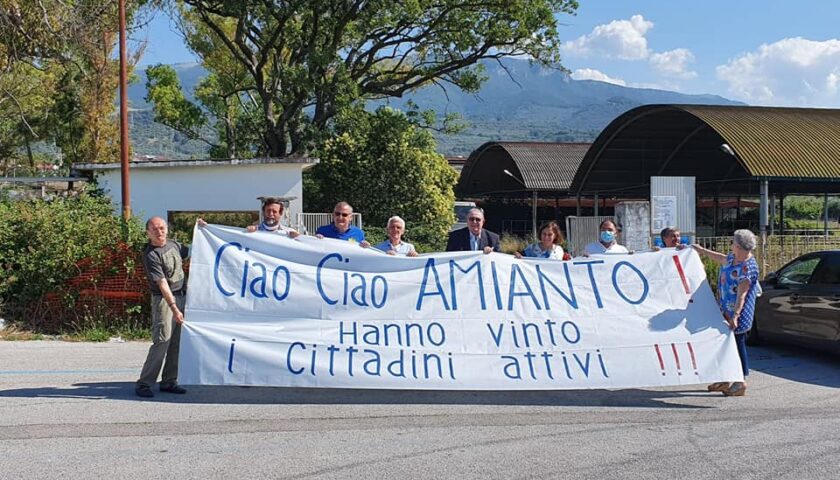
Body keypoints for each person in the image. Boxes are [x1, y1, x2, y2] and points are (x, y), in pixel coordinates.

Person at [693, 229, 760, 397]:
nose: (731, 246)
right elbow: (722, 259)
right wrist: (702, 250)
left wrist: (736, 316)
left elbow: (742, 295)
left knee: (737, 344)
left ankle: (740, 381)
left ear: (739, 246)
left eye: (733, 243)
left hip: (739, 313)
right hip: (724, 309)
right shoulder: (733, 258)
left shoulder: (748, 268)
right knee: (723, 344)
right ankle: (725, 378)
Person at [135, 217, 190, 398]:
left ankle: (169, 381)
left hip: (182, 296)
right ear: (148, 232)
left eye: (162, 228)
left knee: (176, 342)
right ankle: (144, 383)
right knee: (162, 340)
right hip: (165, 301)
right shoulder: (151, 254)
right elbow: (162, 283)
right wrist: (174, 307)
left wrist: (203, 229)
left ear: (167, 229)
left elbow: (195, 250)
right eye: (155, 229)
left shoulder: (174, 245)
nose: (159, 232)